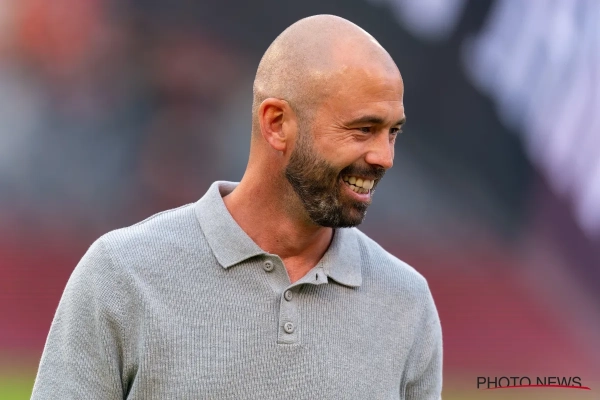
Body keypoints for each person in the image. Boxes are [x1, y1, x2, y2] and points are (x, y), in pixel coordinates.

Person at [31, 14, 442, 400]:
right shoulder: (120, 274)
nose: (385, 157)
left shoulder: (408, 303)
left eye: (393, 132)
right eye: (363, 129)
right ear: (276, 123)